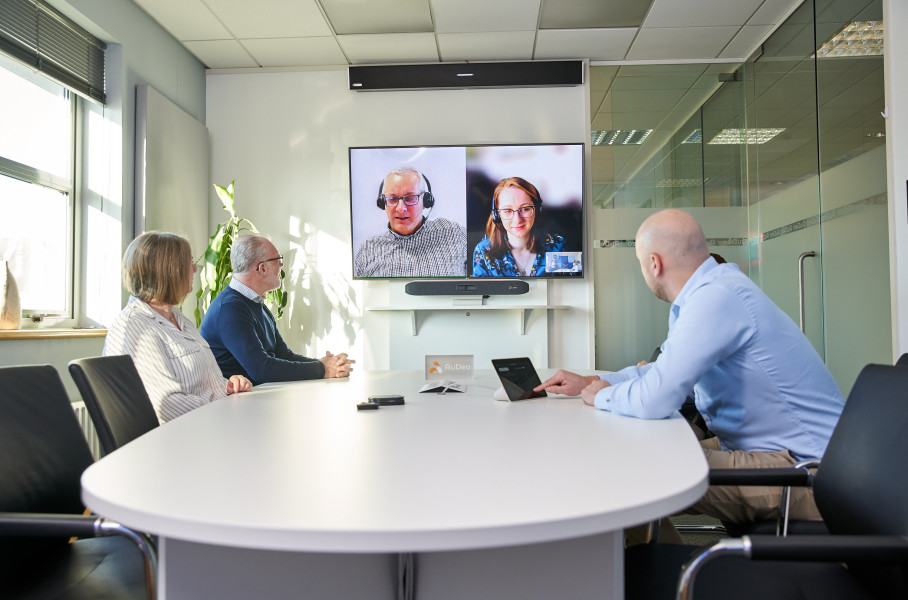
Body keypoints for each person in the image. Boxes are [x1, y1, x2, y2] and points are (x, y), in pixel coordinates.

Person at [536, 209, 845, 531]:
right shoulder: (714, 290)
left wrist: (601, 396)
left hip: (805, 470)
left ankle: (655, 575)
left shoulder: (716, 298)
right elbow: (661, 369)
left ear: (654, 263)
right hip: (773, 452)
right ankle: (658, 566)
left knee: (626, 469)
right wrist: (594, 381)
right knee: (629, 455)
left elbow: (656, 398)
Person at [104, 232, 252, 423]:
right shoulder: (135, 325)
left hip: (206, 424)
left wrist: (229, 386)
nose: (194, 269)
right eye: (188, 263)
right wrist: (226, 406)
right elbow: (167, 406)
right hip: (178, 439)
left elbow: (207, 384)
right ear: (169, 271)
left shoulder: (178, 319)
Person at [200, 233, 354, 384]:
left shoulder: (254, 302)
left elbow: (284, 355)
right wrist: (323, 369)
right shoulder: (230, 309)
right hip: (235, 404)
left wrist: (325, 364)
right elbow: (262, 369)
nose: (281, 264)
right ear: (262, 268)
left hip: (259, 397)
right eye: (277, 259)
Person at [354, 167, 467, 277]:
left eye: (410, 198)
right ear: (382, 203)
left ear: (426, 201)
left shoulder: (454, 234)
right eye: (392, 199)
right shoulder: (368, 250)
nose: (400, 208)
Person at [472, 177, 565, 277]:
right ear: (497, 215)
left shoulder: (557, 245)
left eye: (525, 209)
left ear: (537, 210)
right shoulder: (483, 251)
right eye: (507, 211)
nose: (517, 220)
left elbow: (569, 288)